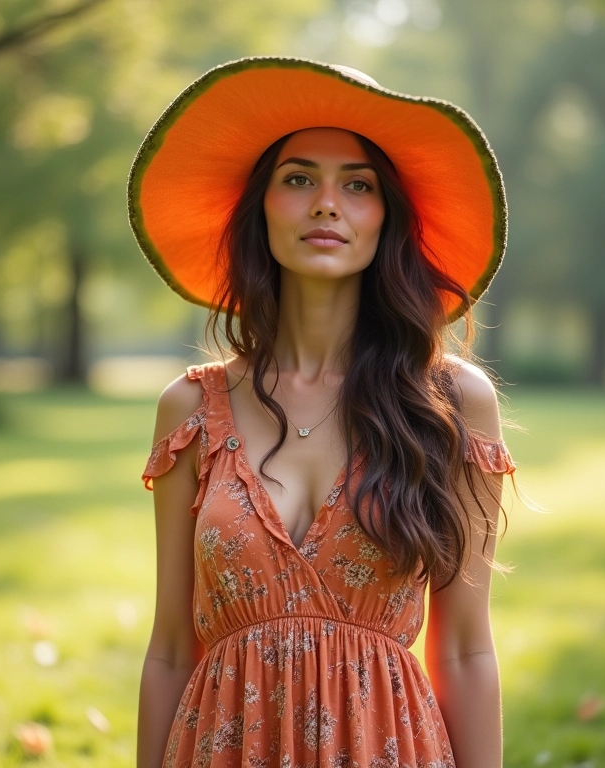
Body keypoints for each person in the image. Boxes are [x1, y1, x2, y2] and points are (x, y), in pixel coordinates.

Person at [129, 57, 515, 768]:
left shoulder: (451, 403)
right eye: (299, 178)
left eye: (358, 185)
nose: (327, 203)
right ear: (261, 208)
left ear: (386, 218)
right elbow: (171, 649)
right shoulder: (191, 410)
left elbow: (464, 649)